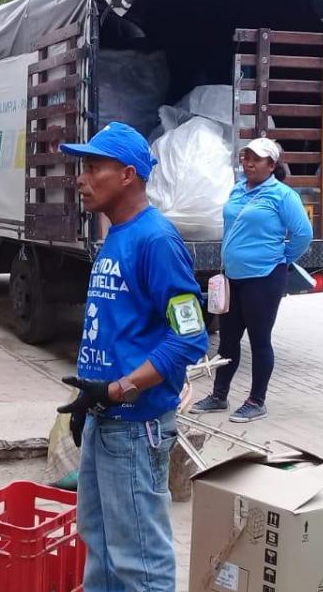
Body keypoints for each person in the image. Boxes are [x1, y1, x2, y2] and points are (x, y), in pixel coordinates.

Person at [54, 122, 208, 592]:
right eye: (81, 167)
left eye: (93, 167)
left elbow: (189, 337)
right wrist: (92, 401)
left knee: (140, 560)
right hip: (106, 419)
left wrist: (122, 387)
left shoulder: (156, 240)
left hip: (137, 427)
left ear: (127, 175)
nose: (81, 178)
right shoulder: (116, 236)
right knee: (100, 543)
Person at [191, 138, 312, 423]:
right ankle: (219, 396)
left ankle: (256, 401)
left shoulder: (282, 195)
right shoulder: (238, 189)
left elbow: (303, 234)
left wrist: (281, 258)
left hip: (264, 278)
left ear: (271, 164)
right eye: (246, 157)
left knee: (259, 340)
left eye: (256, 159)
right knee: (228, 340)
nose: (249, 163)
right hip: (232, 277)